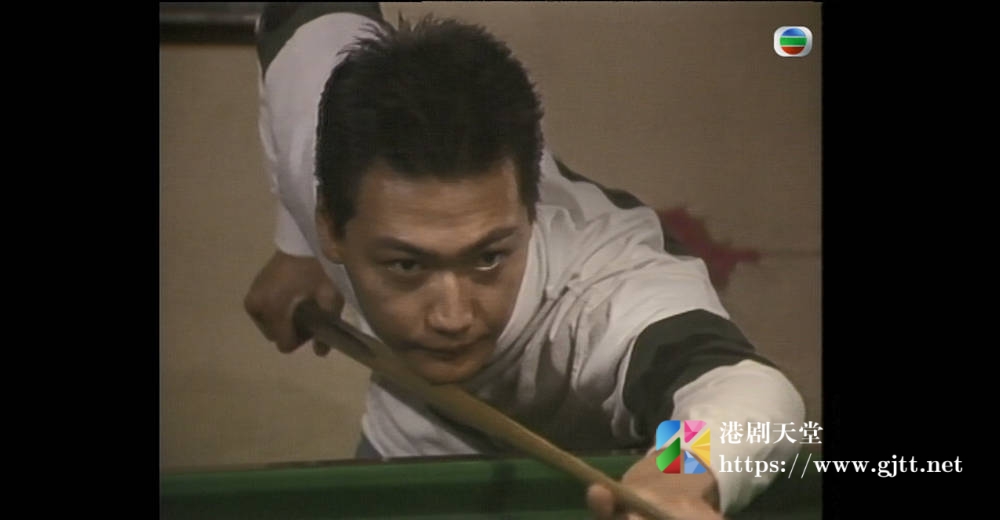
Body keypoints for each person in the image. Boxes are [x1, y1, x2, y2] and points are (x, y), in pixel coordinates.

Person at [244, 4, 805, 519]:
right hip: (408, 447)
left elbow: (749, 391)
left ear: (531, 212)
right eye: (408, 267)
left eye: (488, 257)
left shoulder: (601, 291)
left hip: (600, 489)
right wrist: (297, 250)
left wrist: (676, 471)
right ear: (331, 227)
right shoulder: (311, 141)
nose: (452, 317)